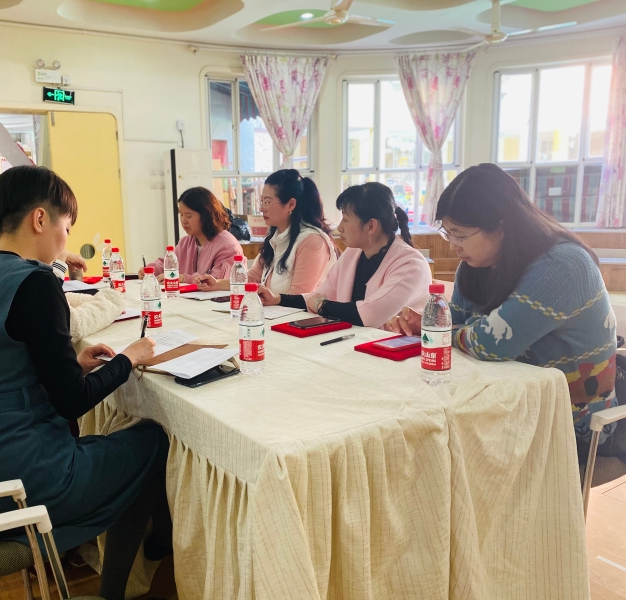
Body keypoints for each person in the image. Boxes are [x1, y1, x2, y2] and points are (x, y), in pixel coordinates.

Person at [0, 166, 170, 600]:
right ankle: (121, 586)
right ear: (40, 219)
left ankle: (125, 553)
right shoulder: (35, 283)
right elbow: (72, 402)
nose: (64, 241)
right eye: (66, 227)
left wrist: (73, 365)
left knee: (110, 443)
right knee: (152, 440)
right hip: (24, 484)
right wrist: (129, 359)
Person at [383, 163, 620, 463]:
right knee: (412, 438)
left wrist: (437, 331)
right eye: (448, 234)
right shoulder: (475, 266)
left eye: (461, 235)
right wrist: (430, 328)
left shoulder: (563, 265)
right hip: (504, 404)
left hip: (573, 423)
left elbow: (490, 343)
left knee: (430, 453)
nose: (454, 246)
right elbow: (459, 327)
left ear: (502, 225)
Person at [259, 182, 431, 328]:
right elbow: (318, 296)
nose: (339, 227)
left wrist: (321, 306)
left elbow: (369, 314)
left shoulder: (410, 264)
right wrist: (278, 299)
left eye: (346, 220)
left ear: (371, 226)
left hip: (398, 351)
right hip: (358, 342)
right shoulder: (353, 253)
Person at [0, 217, 127, 344]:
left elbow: (56, 301)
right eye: (66, 230)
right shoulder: (28, 282)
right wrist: (113, 300)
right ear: (38, 221)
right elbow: (71, 324)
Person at [195, 169, 337, 295]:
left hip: (296, 315)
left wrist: (271, 300)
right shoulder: (276, 237)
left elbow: (300, 297)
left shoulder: (313, 241)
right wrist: (217, 283)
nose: (261, 209)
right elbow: (252, 278)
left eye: (267, 202)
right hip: (274, 313)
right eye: (261, 201)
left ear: (291, 204)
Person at [138, 186, 243, 282]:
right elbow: (169, 265)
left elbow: (217, 282)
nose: (183, 221)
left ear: (206, 215)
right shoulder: (186, 242)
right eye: (181, 214)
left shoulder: (227, 245)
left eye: (188, 216)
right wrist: (151, 270)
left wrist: (184, 278)